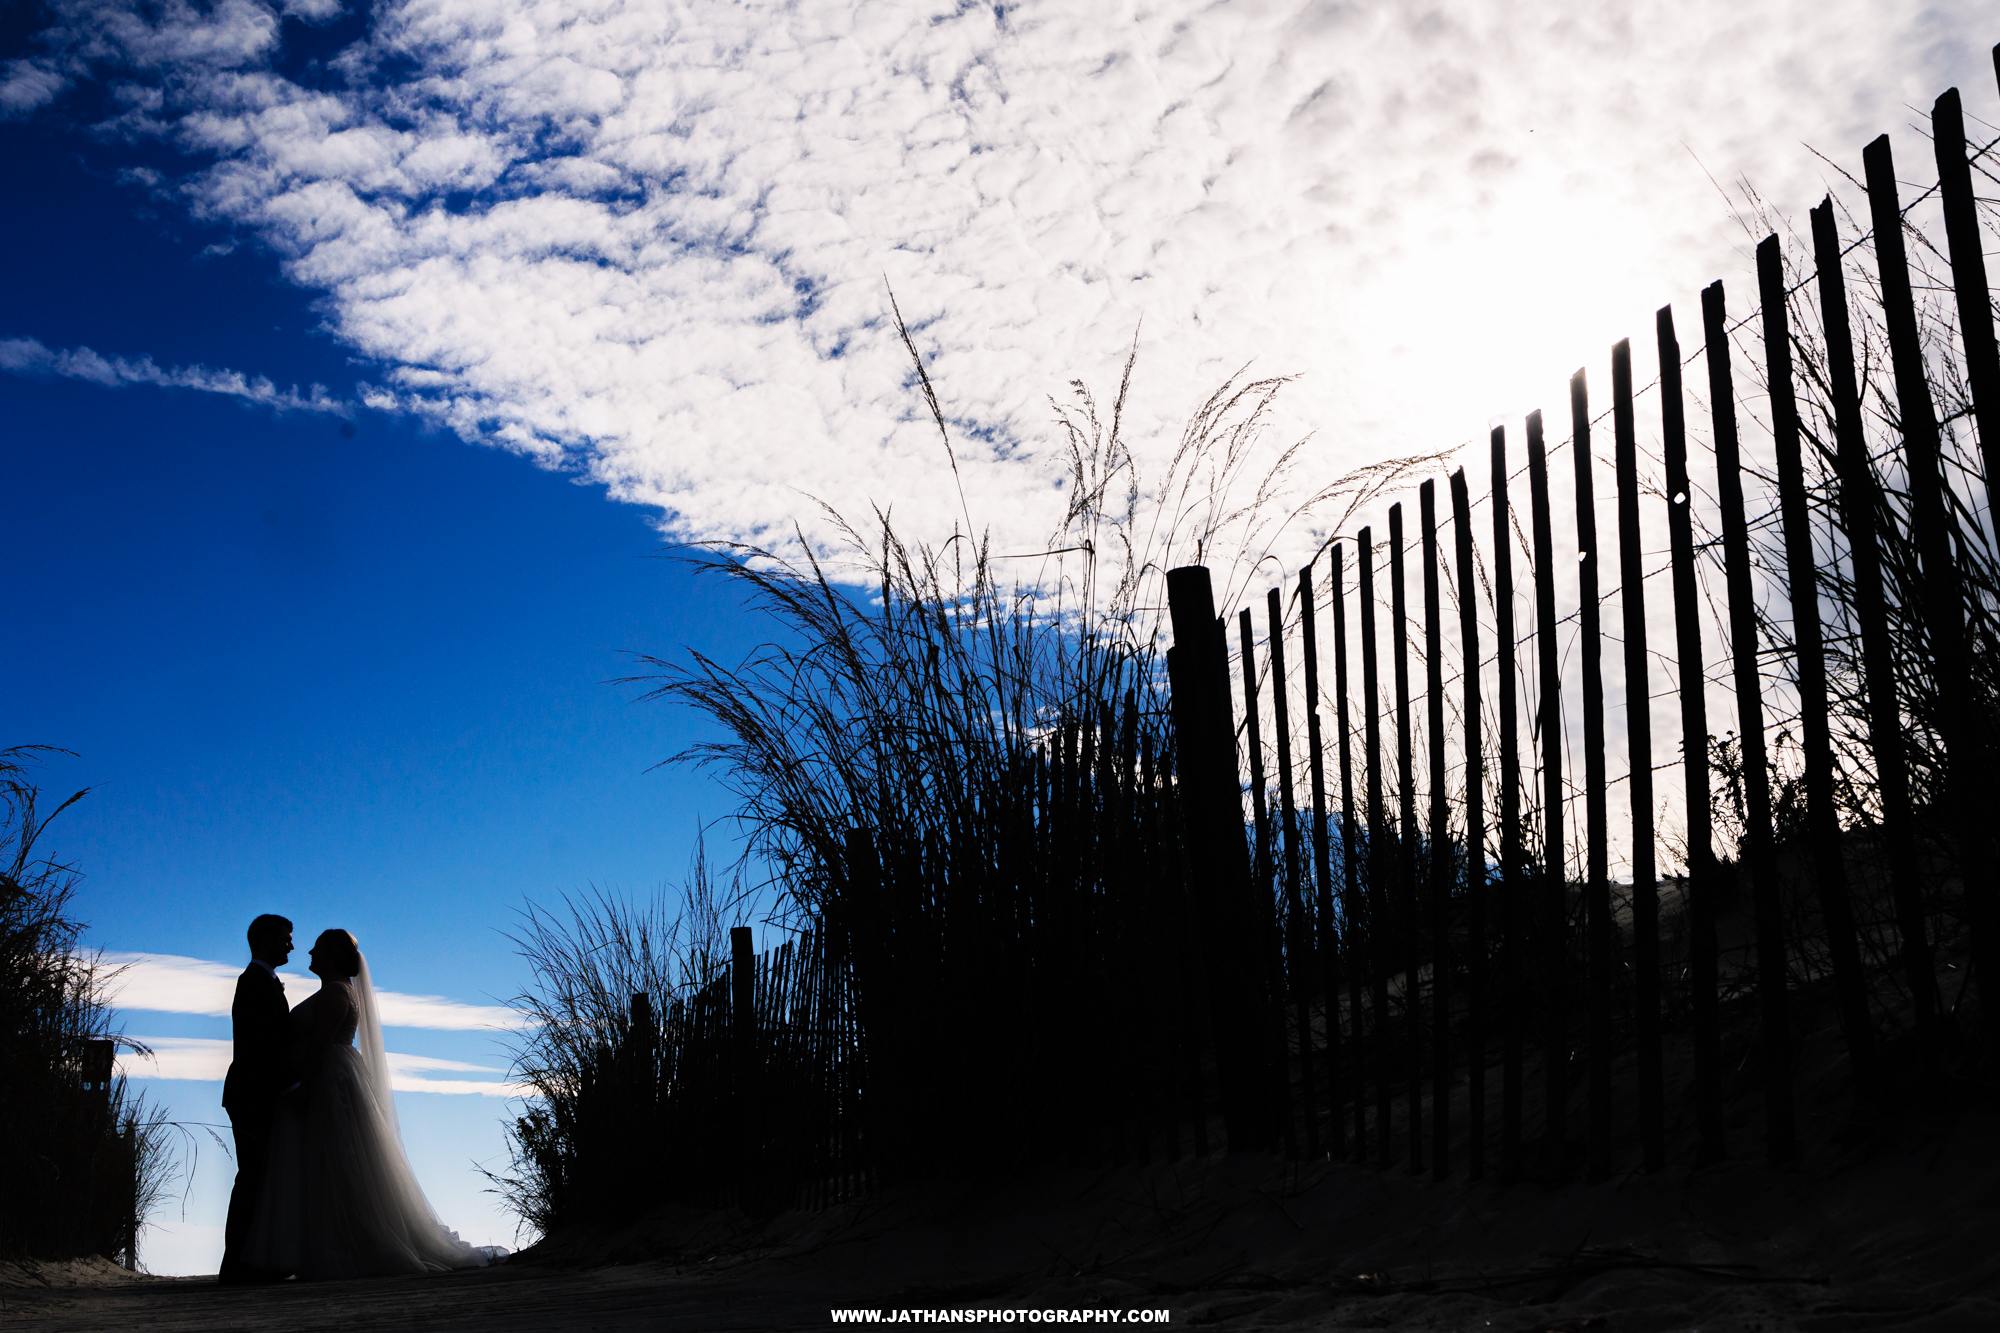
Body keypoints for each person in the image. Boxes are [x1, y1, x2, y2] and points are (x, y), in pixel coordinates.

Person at [244, 928, 500, 1279]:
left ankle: (342, 1244)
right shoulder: (334, 990)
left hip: (328, 1082)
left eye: (317, 949)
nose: (309, 953)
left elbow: (319, 1044)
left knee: (339, 1163)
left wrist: (297, 1083)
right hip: (328, 1079)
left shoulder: (336, 992)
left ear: (331, 956)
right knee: (330, 1165)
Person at [219, 913, 295, 1285]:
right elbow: (260, 1048)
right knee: (252, 1177)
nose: (291, 945)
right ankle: (236, 1266)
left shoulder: (264, 982)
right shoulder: (252, 983)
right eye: (286, 938)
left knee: (259, 1177)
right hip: (252, 1095)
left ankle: (249, 1261)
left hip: (257, 1092)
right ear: (265, 939)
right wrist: (287, 1087)